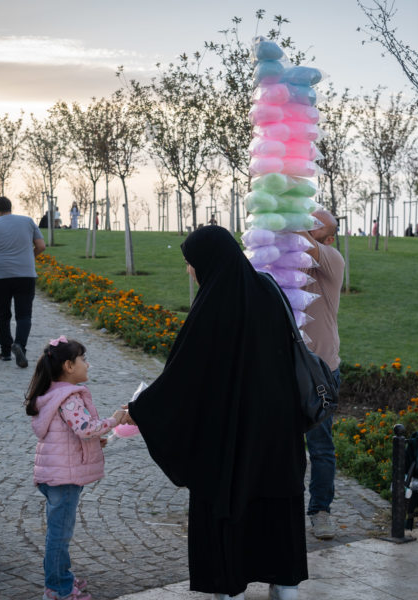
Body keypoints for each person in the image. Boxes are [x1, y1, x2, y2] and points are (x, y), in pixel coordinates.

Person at [125, 226, 308, 600]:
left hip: (229, 433)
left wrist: (140, 409)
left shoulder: (212, 306)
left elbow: (184, 376)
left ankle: (230, 589)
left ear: (207, 262)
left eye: (190, 263)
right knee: (275, 503)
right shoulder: (269, 292)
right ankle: (285, 586)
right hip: (277, 430)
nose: (188, 271)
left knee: (229, 502)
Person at [25, 336, 126, 600]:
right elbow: (85, 429)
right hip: (64, 478)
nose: (88, 365)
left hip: (54, 474)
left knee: (59, 532)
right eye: (84, 360)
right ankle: (57, 589)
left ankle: (63, 577)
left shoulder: (53, 394)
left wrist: (96, 440)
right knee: (59, 536)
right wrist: (114, 420)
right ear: (69, 366)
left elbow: (70, 434)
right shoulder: (69, 398)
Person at [297, 211, 346, 539]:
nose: (306, 221)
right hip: (286, 367)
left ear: (328, 238)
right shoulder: (290, 260)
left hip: (321, 370)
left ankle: (321, 511)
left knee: (320, 446)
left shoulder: (332, 259)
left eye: (315, 222)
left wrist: (286, 209)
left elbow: (300, 237)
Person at [0, 196, 46, 368]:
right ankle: (20, 344)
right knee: (24, 314)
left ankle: (6, 351)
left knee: (3, 314)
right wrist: (30, 256)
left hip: (2, 275)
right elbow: (41, 246)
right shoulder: (28, 221)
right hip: (26, 274)